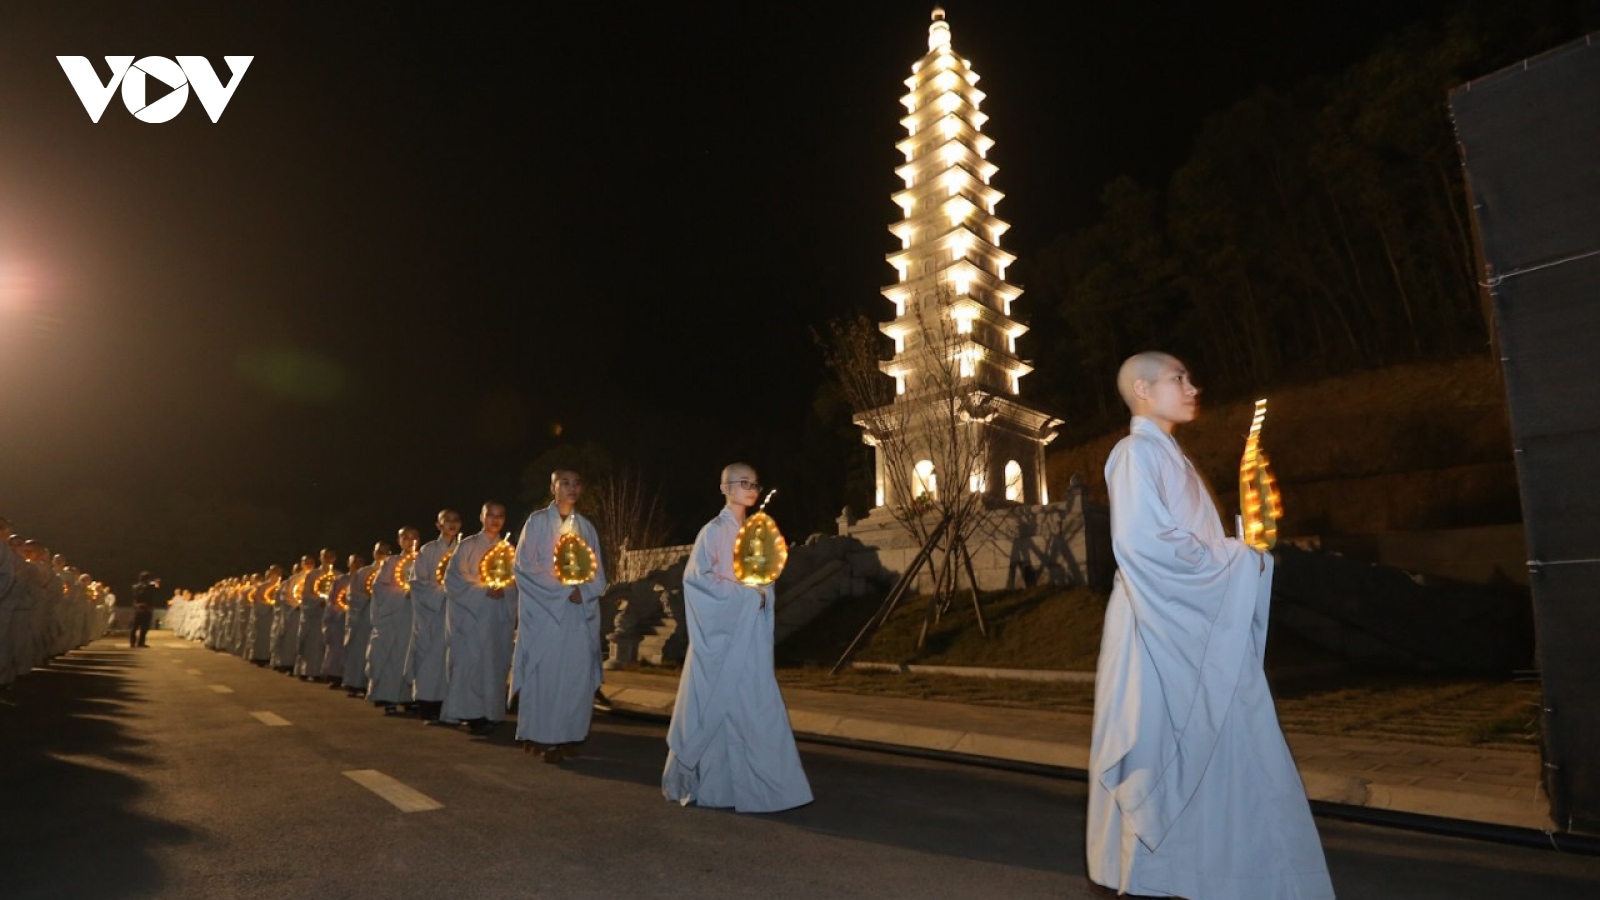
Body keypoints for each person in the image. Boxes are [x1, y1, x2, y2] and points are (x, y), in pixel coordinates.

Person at [1086, 352, 1334, 900]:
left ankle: (1211, 875)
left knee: (1217, 750)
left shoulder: (1172, 456)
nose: (1194, 387)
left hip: (1194, 621)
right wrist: (1237, 558)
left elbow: (1184, 542)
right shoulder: (1134, 454)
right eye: (1180, 379)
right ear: (1144, 390)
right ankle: (1172, 877)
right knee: (1173, 749)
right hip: (1158, 628)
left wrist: (1242, 550)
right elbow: (1144, 544)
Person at [662, 463, 811, 813]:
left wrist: (761, 590)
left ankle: (764, 791)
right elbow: (696, 582)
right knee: (721, 707)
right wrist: (744, 596)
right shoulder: (713, 531)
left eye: (755, 483)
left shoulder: (755, 532)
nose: (751, 488)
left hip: (748, 640)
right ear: (725, 488)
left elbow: (764, 576)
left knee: (757, 708)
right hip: (721, 640)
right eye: (743, 482)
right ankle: (715, 788)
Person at [511, 470, 609, 763]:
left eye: (578, 483)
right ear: (552, 487)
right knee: (547, 675)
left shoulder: (586, 528)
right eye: (565, 483)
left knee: (575, 676)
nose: (572, 488)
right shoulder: (537, 522)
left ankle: (569, 735)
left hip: (577, 616)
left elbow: (598, 572)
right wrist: (562, 591)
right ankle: (543, 737)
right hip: (546, 615)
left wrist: (585, 590)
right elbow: (523, 568)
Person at [440, 502, 518, 736]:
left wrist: (506, 590)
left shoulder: (508, 549)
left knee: (494, 665)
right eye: (490, 515)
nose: (495, 520)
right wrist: (481, 591)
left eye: (500, 516)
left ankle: (491, 713)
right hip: (472, 620)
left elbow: (517, 582)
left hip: (496, 619)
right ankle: (470, 714)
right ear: (481, 517)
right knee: (471, 665)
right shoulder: (468, 546)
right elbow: (453, 580)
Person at [409, 510, 461, 722]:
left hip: (457, 613)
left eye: (455, 520)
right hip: (434, 615)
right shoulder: (428, 550)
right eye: (446, 521)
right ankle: (428, 706)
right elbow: (417, 582)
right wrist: (443, 591)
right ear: (438, 525)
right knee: (431, 660)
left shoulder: (463, 549)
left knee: (455, 661)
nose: (451, 524)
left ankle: (451, 708)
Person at [368, 527, 419, 715]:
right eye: (406, 538)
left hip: (415, 616)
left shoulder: (422, 560)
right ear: (399, 541)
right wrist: (400, 595)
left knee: (411, 656)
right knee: (392, 656)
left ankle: (408, 698)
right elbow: (379, 588)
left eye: (414, 538)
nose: (410, 541)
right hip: (395, 617)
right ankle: (388, 697)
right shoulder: (391, 562)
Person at [130, 571, 160, 648]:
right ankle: (141, 642)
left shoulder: (134, 587)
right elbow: (156, 586)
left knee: (135, 626)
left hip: (138, 607)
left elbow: (134, 597)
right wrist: (156, 581)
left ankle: (132, 642)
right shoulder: (149, 586)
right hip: (146, 607)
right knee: (144, 626)